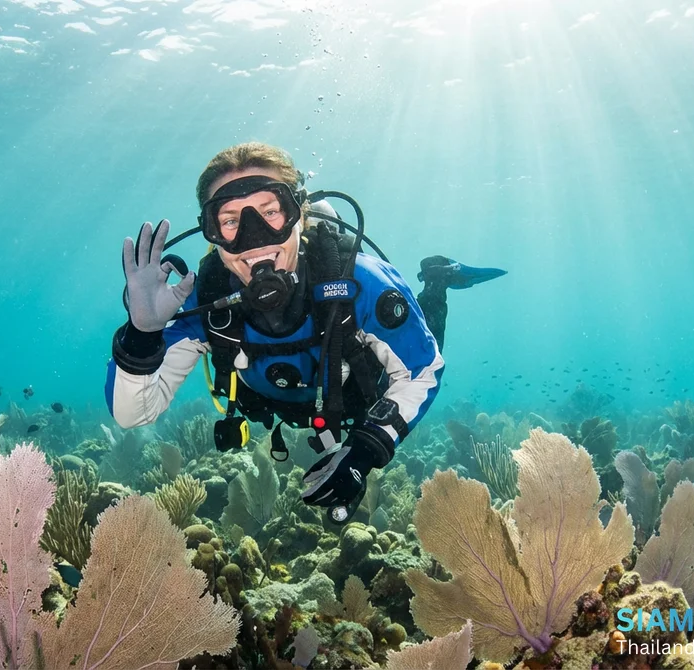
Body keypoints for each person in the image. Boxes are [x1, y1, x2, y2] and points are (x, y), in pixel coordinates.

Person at [105, 142, 504, 520]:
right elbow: (132, 415)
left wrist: (365, 449)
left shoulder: (358, 282)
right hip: (280, 404)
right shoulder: (204, 302)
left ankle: (436, 281)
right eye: (230, 220)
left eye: (270, 211)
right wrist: (142, 333)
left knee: (430, 333)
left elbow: (422, 369)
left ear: (299, 214)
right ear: (212, 233)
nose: (254, 237)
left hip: (362, 396)